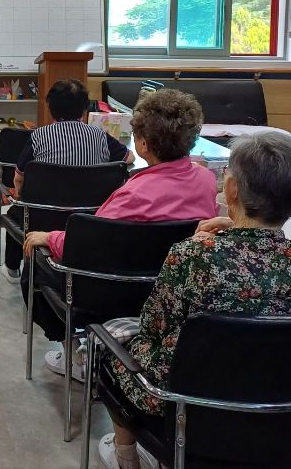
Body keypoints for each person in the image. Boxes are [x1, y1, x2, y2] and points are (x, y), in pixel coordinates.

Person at [98, 131, 291, 469]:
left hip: (188, 403)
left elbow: (152, 328)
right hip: (277, 404)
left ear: (231, 191)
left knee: (110, 350)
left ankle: (126, 457)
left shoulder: (194, 254)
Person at [22, 88, 218, 381]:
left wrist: (49, 237)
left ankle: (72, 353)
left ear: (142, 143)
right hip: (173, 293)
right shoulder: (206, 180)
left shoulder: (133, 195)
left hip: (110, 293)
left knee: (33, 266)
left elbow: (86, 245)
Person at [3, 79, 134, 282]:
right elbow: (129, 158)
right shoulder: (100, 136)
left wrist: (19, 193)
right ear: (84, 109)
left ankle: (12, 269)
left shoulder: (39, 136)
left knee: (16, 212)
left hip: (43, 216)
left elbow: (19, 176)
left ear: (51, 108)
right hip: (90, 217)